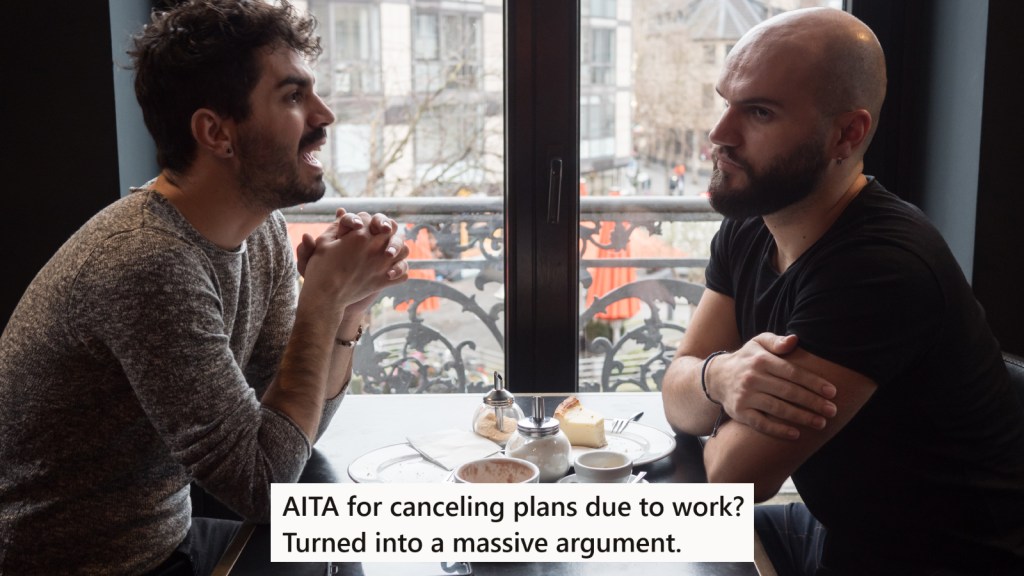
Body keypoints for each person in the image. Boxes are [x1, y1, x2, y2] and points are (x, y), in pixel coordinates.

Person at [0, 1, 409, 574]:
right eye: (292, 97)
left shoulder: (262, 229)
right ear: (216, 132)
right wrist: (319, 300)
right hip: (97, 565)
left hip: (169, 537)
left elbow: (287, 430)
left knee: (359, 543)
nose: (324, 115)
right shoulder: (148, 263)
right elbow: (262, 484)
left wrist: (344, 312)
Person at [661, 7, 1024, 575]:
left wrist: (704, 393)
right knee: (582, 532)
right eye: (725, 101)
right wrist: (721, 377)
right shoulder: (755, 217)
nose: (720, 135)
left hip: (931, 560)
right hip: (838, 531)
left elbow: (733, 479)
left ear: (847, 133)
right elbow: (676, 386)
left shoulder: (880, 270)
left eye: (758, 111)